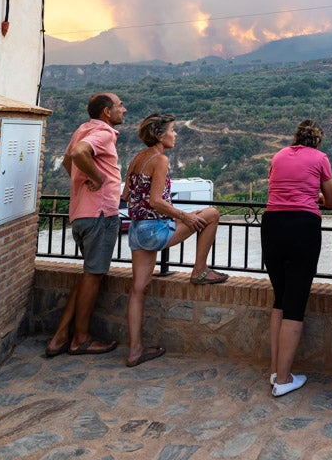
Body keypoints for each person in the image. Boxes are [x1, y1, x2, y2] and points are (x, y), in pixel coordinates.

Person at [122, 113, 226, 367]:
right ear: (160, 135)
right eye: (172, 130)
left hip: (136, 231)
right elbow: (156, 200)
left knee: (138, 291)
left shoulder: (137, 158)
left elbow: (126, 194)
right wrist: (184, 216)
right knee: (211, 214)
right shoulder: (160, 160)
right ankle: (199, 270)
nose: (175, 134)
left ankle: (135, 350)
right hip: (154, 229)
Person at [45, 93, 128, 357]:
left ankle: (60, 336)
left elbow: (69, 161)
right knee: (94, 276)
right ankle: (80, 338)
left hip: (81, 213)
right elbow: (80, 154)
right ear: (106, 112)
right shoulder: (103, 132)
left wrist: (82, 181)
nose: (124, 110)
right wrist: (97, 178)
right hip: (100, 214)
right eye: (119, 106)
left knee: (89, 275)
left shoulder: (83, 129)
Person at [263, 120, 332, 397]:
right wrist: (315, 195)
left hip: (272, 224)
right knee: (295, 302)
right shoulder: (320, 159)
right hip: (302, 226)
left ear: (295, 138)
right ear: (317, 141)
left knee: (280, 298)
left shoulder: (279, 155)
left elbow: (277, 188)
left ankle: (275, 369)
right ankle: (283, 379)